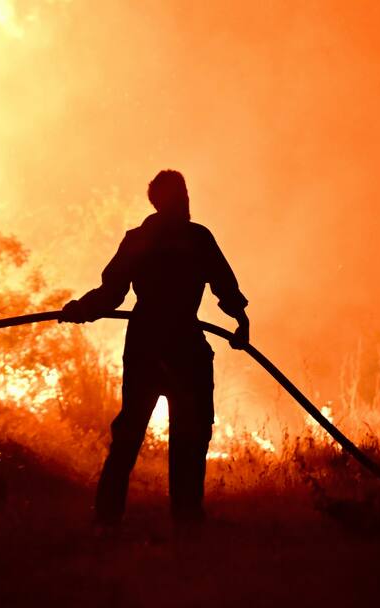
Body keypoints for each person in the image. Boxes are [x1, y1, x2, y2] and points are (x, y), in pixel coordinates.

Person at [59, 170, 249, 532]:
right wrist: (242, 323)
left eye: (186, 194)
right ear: (169, 201)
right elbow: (225, 287)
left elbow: (111, 293)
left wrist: (81, 310)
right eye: (182, 196)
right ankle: (183, 519)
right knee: (184, 436)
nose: (187, 202)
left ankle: (112, 517)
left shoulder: (147, 239)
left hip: (148, 343)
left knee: (139, 434)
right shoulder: (194, 238)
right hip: (183, 346)